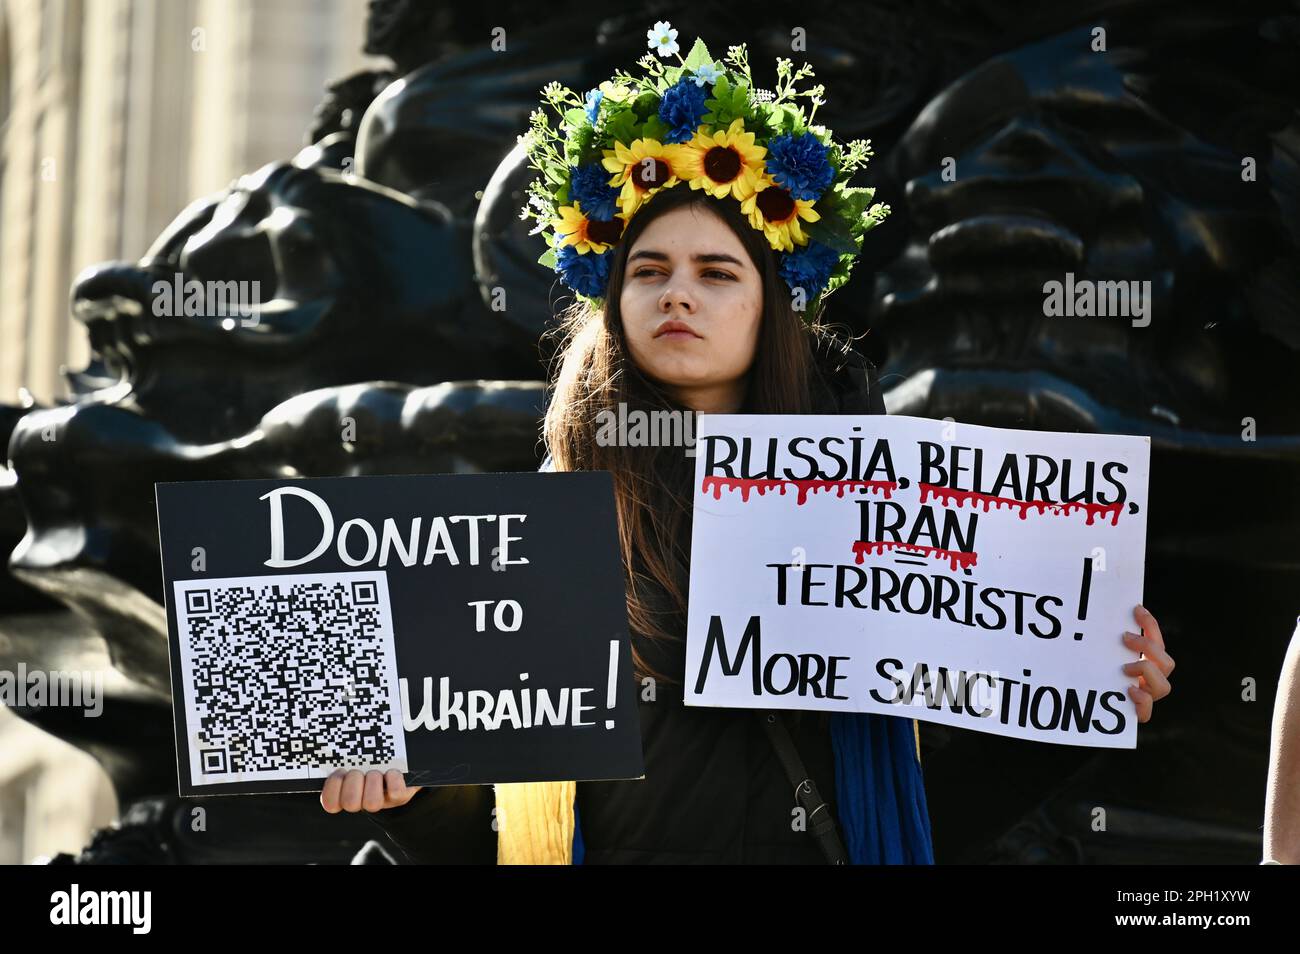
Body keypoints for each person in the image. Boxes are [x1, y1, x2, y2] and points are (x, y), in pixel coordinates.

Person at [319, 23, 1175, 864]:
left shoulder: (888, 506)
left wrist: (1081, 700)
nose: (676, 295)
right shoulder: (524, 537)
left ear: (772, 305)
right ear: (612, 302)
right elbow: (496, 840)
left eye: (716, 272)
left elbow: (930, 815)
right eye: (648, 271)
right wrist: (413, 794)